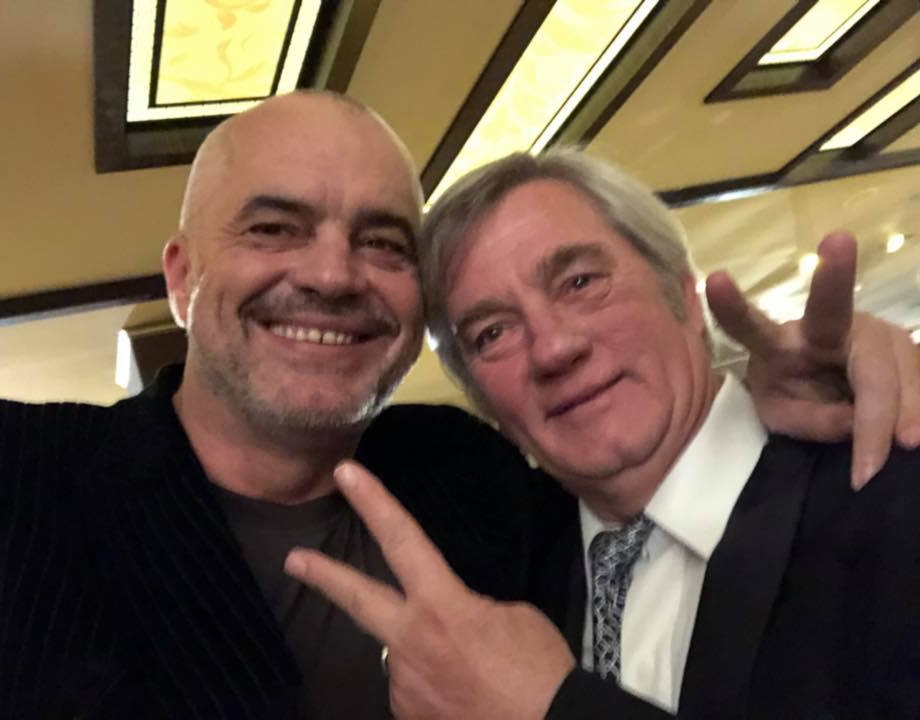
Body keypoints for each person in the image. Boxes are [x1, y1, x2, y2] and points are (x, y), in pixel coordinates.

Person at [0, 91, 916, 719]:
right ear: (181, 278)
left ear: (678, 285)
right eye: (275, 227)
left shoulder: (463, 476)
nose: (332, 275)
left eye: (382, 242)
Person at [287, 148, 920, 719]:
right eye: (492, 333)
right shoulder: (513, 567)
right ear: (482, 400)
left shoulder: (891, 496)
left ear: (683, 294)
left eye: (581, 282)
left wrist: (554, 709)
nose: (553, 348)